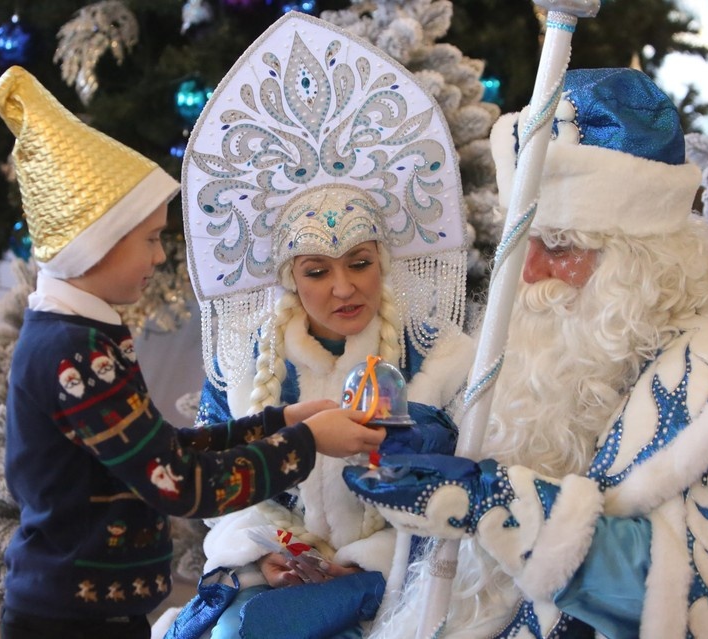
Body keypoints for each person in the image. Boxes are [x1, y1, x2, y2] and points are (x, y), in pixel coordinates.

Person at [343, 67, 708, 639]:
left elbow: (698, 604)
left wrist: (494, 503)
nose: (529, 274)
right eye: (524, 243)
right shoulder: (547, 355)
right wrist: (436, 444)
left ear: (645, 261)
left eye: (558, 246)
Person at [0, 65, 385, 639]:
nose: (160, 258)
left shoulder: (84, 337)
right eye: (151, 240)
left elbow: (157, 449)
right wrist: (307, 444)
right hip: (72, 615)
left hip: (93, 606)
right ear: (98, 245)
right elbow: (178, 482)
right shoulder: (75, 354)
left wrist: (278, 421)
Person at [155, 12, 477, 639]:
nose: (344, 287)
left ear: (382, 259)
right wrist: (270, 553)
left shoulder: (435, 355)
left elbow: (461, 482)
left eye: (360, 263)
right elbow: (226, 481)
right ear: (289, 280)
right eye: (317, 272)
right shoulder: (247, 364)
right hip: (280, 575)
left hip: (404, 576)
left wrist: (364, 561)